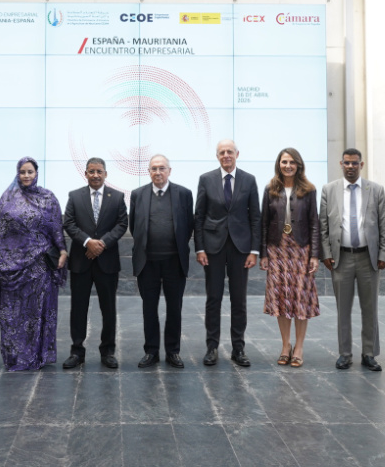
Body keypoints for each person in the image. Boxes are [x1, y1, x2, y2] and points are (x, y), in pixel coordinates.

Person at [0, 157, 68, 371]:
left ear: (36, 173)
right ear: (17, 173)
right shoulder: (8, 198)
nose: (26, 175)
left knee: (37, 313)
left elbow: (56, 228)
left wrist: (62, 250)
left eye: (30, 171)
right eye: (22, 172)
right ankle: (17, 357)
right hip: (12, 267)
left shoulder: (47, 198)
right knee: (14, 313)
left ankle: (38, 355)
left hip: (40, 266)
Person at [319, 148, 385, 371]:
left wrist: (384, 254)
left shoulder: (375, 190)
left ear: (361, 164)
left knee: (370, 308)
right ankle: (345, 353)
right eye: (347, 163)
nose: (351, 167)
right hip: (341, 259)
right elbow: (323, 226)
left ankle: (369, 353)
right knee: (343, 309)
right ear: (341, 164)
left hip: (368, 258)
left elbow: (383, 224)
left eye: (355, 163)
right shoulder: (329, 190)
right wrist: (326, 254)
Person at [194, 139, 261, 367]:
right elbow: (199, 216)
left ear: (237, 154)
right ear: (217, 156)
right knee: (213, 298)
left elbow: (255, 217)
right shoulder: (206, 179)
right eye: (222, 152)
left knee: (238, 299)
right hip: (213, 247)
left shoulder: (249, 180)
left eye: (229, 151)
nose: (226, 155)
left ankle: (238, 348)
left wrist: (254, 251)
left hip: (241, 248)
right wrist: (200, 248)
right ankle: (212, 347)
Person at [62, 158, 128, 369]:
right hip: (81, 261)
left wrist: (102, 244)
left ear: (105, 174)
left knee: (108, 309)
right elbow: (69, 223)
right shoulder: (75, 196)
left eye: (99, 171)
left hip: (107, 262)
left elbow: (122, 224)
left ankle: (108, 351)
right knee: (78, 308)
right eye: (91, 171)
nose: (96, 175)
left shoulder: (117, 197)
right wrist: (88, 242)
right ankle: (77, 351)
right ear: (86, 174)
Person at [129, 155, 195, 368]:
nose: (158, 172)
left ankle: (173, 351)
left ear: (169, 171)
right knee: (149, 308)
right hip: (147, 262)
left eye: (162, 168)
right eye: (154, 168)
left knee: (174, 308)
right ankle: (151, 351)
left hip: (174, 262)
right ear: (149, 171)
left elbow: (189, 224)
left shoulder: (184, 194)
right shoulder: (138, 194)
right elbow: (134, 226)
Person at [259, 148, 320, 368]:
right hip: (277, 249)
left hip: (301, 249)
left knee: (300, 299)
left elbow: (314, 223)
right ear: (279, 164)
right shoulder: (270, 189)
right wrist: (263, 254)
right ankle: (286, 346)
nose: (288, 166)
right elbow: (263, 223)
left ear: (298, 165)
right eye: (284, 162)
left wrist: (315, 255)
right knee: (281, 298)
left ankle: (299, 348)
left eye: (292, 162)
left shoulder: (309, 190)